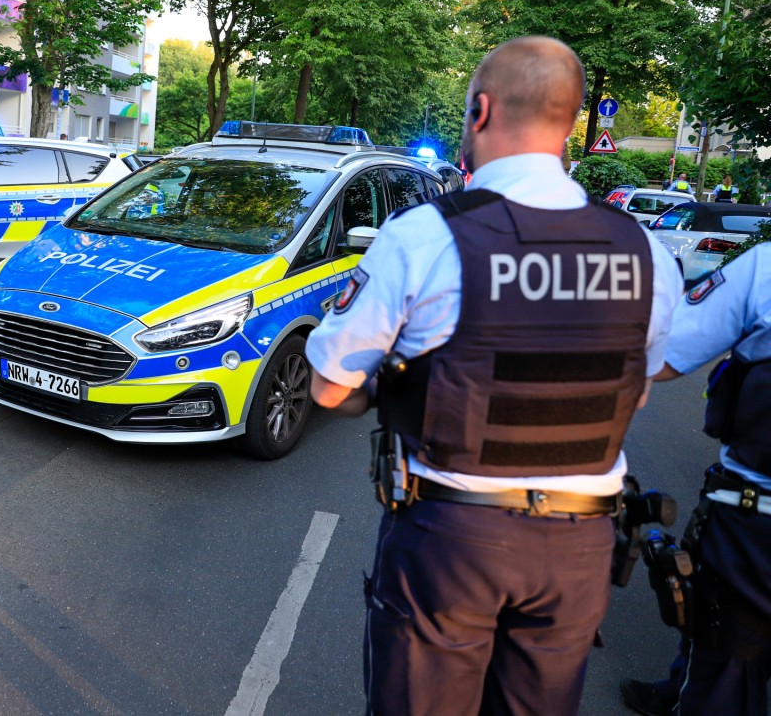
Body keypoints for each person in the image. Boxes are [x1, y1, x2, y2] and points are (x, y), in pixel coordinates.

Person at [305, 36, 683, 715]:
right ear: (571, 123)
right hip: (579, 547)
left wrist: (375, 392)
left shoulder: (424, 235)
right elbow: (639, 383)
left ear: (479, 111)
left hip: (453, 538)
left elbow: (328, 383)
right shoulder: (647, 254)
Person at [621, 244, 771, 716]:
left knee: (727, 659)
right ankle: (674, 691)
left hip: (755, 519)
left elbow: (664, 357)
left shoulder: (765, 266)